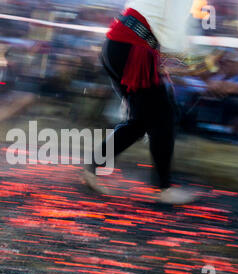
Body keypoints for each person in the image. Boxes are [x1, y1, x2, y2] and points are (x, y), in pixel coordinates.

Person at [83, 0, 196, 204]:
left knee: (141, 121)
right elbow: (173, 37)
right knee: (163, 117)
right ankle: (164, 189)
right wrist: (195, 62)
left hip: (119, 45)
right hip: (133, 50)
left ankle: (93, 168)